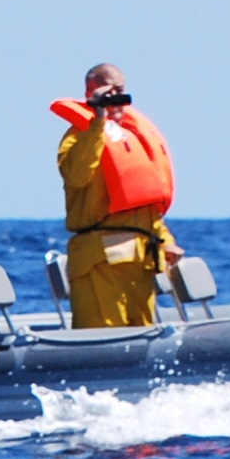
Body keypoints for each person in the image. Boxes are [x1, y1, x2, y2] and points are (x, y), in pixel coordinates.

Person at [51, 63, 182, 329]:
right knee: (103, 342)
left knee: (142, 342)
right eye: (110, 91)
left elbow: (144, 202)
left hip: (140, 262)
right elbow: (77, 175)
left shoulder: (132, 139)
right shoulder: (79, 136)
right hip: (98, 264)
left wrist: (166, 240)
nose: (117, 98)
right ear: (92, 93)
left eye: (121, 90)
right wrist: (98, 121)